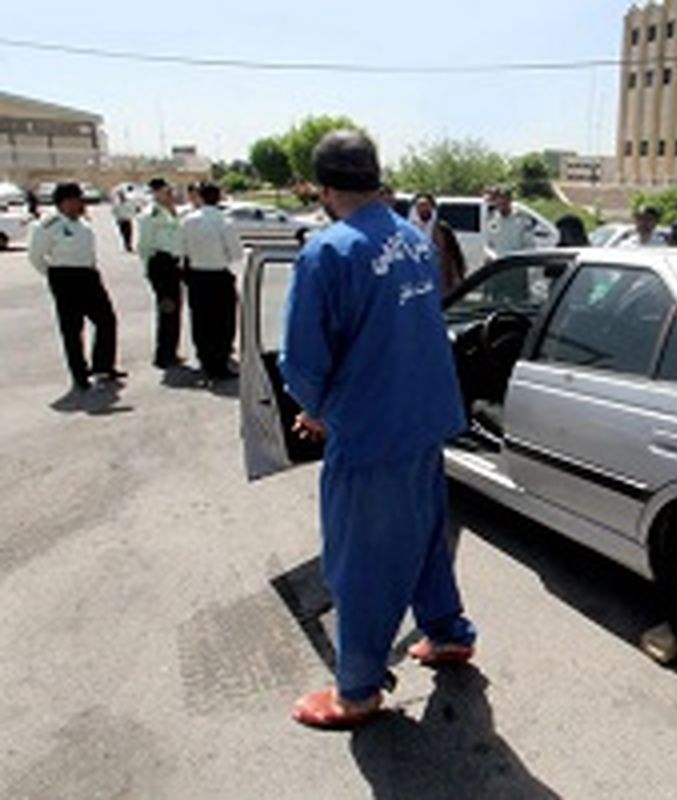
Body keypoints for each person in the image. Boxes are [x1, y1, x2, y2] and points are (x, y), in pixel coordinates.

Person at [282, 130, 475, 730]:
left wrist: (314, 408)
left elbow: (303, 361)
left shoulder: (328, 251)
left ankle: (358, 690)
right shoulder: (413, 239)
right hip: (425, 417)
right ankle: (447, 633)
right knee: (423, 536)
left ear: (323, 188)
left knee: (360, 559)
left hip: (370, 431)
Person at [27, 183, 125, 391]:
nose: (81, 203)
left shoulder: (82, 223)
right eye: (77, 200)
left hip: (88, 276)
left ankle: (103, 366)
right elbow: (35, 256)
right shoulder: (48, 225)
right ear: (64, 202)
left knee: (106, 320)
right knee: (72, 329)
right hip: (65, 277)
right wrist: (53, 275)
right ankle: (80, 374)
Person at [181, 182, 241, 380]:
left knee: (201, 320)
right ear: (219, 197)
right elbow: (236, 253)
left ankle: (206, 360)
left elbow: (183, 250)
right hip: (218, 275)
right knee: (223, 322)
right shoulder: (224, 221)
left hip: (196, 275)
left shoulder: (188, 220)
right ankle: (220, 362)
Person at [137, 178, 185, 368]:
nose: (170, 195)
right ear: (156, 193)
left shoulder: (169, 212)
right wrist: (149, 268)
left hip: (172, 264)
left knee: (174, 309)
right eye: (166, 192)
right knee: (167, 309)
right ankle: (163, 355)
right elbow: (144, 245)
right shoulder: (151, 214)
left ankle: (171, 351)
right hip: (160, 264)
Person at [411, 193, 466, 294]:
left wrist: (458, 276)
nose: (423, 208)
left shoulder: (443, 228)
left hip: (440, 276)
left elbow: (455, 253)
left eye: (425, 205)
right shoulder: (410, 229)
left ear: (432, 207)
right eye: (419, 206)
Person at [485, 186, 536, 257]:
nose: (502, 204)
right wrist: (492, 256)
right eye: (499, 201)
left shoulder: (522, 220)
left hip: (516, 263)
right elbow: (487, 244)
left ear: (510, 201)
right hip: (498, 263)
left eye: (505, 201)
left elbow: (529, 245)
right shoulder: (491, 219)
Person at [112, 187, 138, 252]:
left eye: (122, 195)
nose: (121, 197)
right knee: (123, 233)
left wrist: (133, 214)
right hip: (121, 220)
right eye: (120, 195)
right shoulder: (117, 204)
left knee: (129, 233)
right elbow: (114, 211)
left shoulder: (128, 202)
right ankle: (126, 244)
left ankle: (128, 245)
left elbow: (133, 209)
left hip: (127, 220)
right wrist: (117, 218)